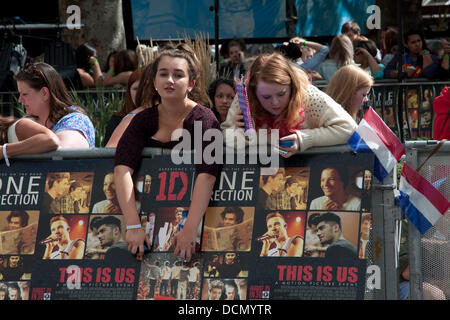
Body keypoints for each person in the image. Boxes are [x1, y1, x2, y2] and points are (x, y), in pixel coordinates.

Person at [114, 43, 220, 262]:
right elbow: (122, 167)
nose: (169, 80)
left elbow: (207, 174)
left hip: (197, 218)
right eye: (163, 74)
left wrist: (190, 228)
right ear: (154, 83)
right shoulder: (143, 119)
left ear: (191, 84)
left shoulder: (205, 119)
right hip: (149, 217)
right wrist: (133, 225)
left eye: (178, 75)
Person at [222, 52, 357, 156]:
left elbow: (349, 129)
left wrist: (304, 139)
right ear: (253, 90)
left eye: (281, 94)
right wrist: (240, 135)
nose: (275, 102)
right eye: (266, 97)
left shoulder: (308, 95)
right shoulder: (244, 99)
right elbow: (226, 136)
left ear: (292, 87)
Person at [15, 62, 95, 148]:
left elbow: (61, 152)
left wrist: (7, 150)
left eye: (25, 94)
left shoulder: (76, 120)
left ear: (44, 93)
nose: (20, 100)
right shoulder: (28, 120)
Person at [104, 68, 144, 146]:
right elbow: (108, 152)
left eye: (144, 89)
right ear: (129, 92)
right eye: (136, 89)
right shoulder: (117, 120)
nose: (140, 93)